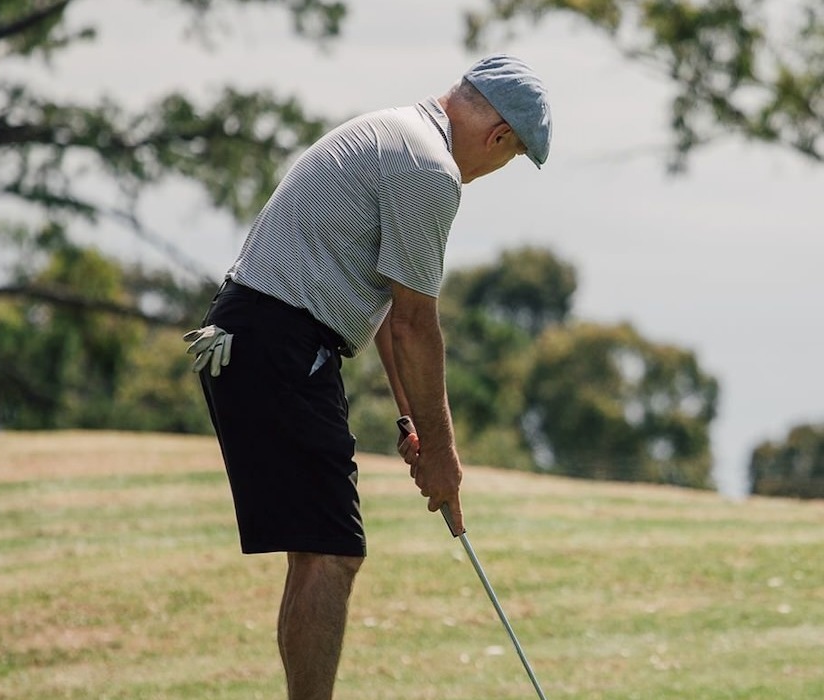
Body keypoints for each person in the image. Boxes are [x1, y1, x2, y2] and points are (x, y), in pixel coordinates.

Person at [181, 54, 551, 700]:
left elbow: (384, 314)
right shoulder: (431, 171)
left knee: (319, 550)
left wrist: (412, 420)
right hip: (280, 343)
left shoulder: (399, 133)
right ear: (499, 138)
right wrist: (442, 456)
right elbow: (416, 326)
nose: (500, 166)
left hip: (256, 337)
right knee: (332, 553)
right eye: (514, 156)